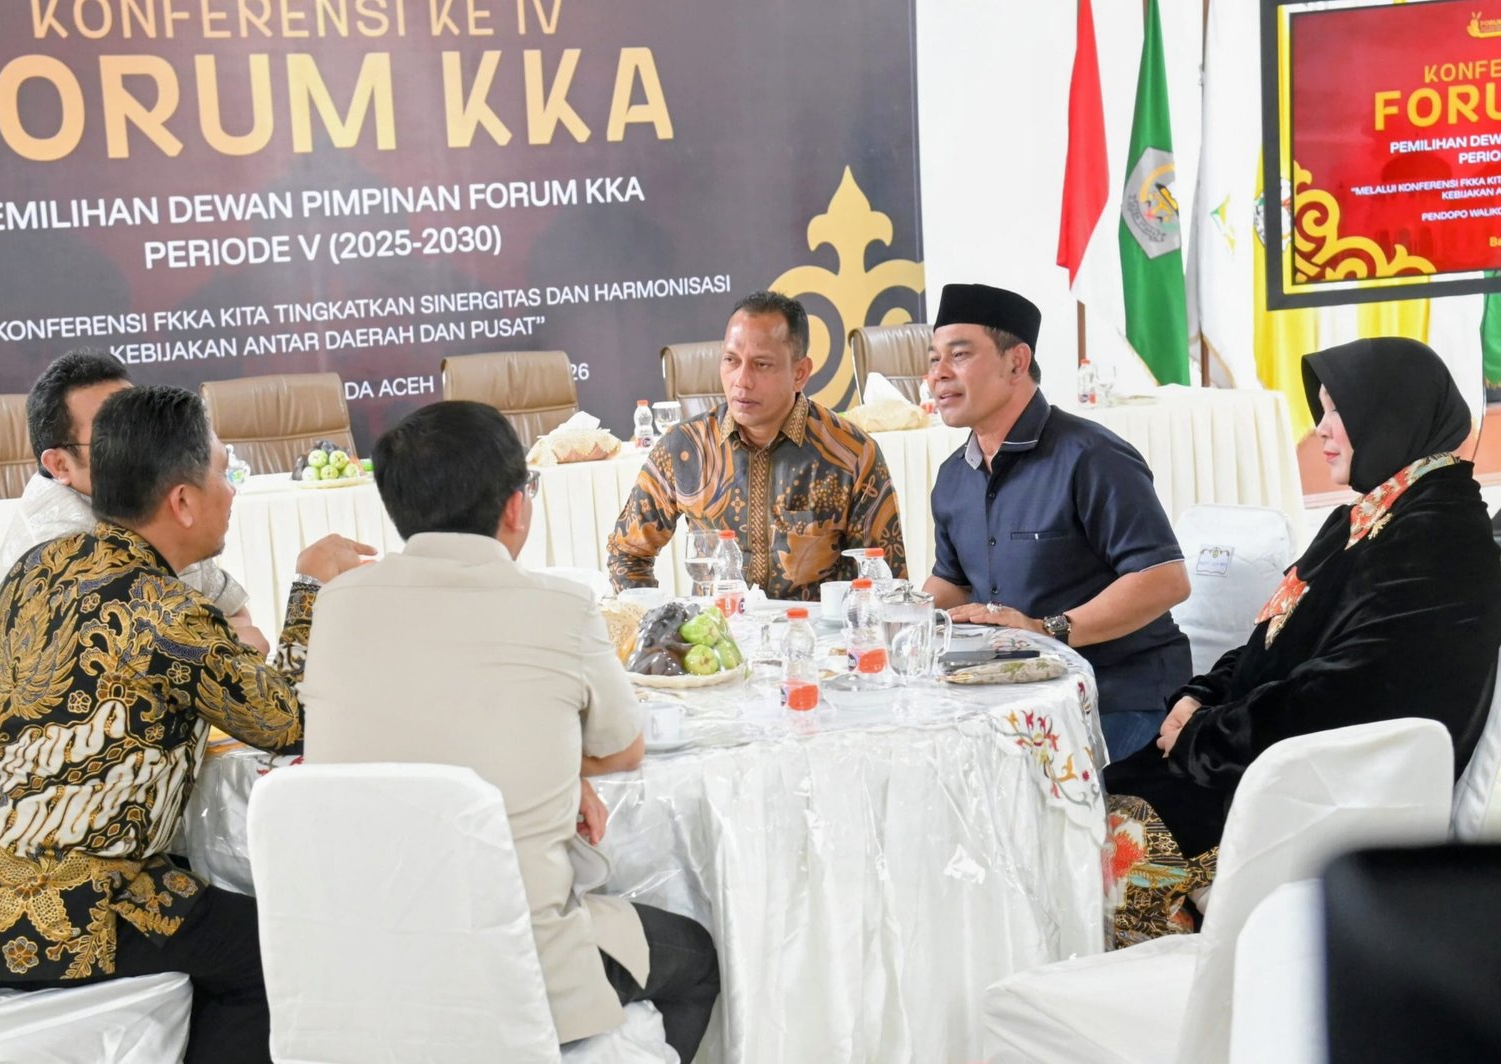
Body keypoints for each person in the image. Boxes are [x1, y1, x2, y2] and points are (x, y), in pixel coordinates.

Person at [0, 385, 375, 1063]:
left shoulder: (39, 564)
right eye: (223, 473)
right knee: (277, 952)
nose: (232, 492)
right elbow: (289, 721)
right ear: (182, 501)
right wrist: (311, 589)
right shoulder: (165, 614)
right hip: (42, 916)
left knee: (204, 890)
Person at [302, 401, 720, 1062]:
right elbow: (624, 747)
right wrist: (563, 764)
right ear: (516, 508)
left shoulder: (336, 604)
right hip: (519, 974)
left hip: (371, 971)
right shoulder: (560, 605)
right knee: (695, 959)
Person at [1104, 337, 1501, 947]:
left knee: (1115, 844)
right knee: (1080, 805)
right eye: (1322, 410)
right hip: (1272, 761)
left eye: (1340, 410)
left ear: (1393, 416)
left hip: (1333, 792)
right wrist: (1201, 695)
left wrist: (1206, 734)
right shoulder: (1368, 516)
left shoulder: (1441, 541)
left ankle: (1190, 1004)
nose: (1321, 428)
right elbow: (1273, 637)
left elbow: (1354, 698)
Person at [921, 283, 1191, 758]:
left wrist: (1047, 629)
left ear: (1016, 362)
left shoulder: (1092, 456)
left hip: (1119, 696)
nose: (937, 375)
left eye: (958, 355)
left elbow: (1165, 579)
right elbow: (954, 582)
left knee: (1010, 782)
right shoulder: (953, 475)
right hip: (1015, 696)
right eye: (932, 359)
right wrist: (903, 617)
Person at [607, 290, 906, 600]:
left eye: (761, 365)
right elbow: (626, 554)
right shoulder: (685, 448)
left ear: (800, 373)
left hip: (815, 629)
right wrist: (662, 620)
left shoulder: (851, 454)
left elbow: (886, 579)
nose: (741, 380)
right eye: (731, 361)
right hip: (719, 628)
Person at [0, 349, 266, 654]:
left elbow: (236, 613)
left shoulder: (148, 493)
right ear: (60, 465)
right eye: (111, 434)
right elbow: (184, 658)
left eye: (138, 424)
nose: (140, 442)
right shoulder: (65, 555)